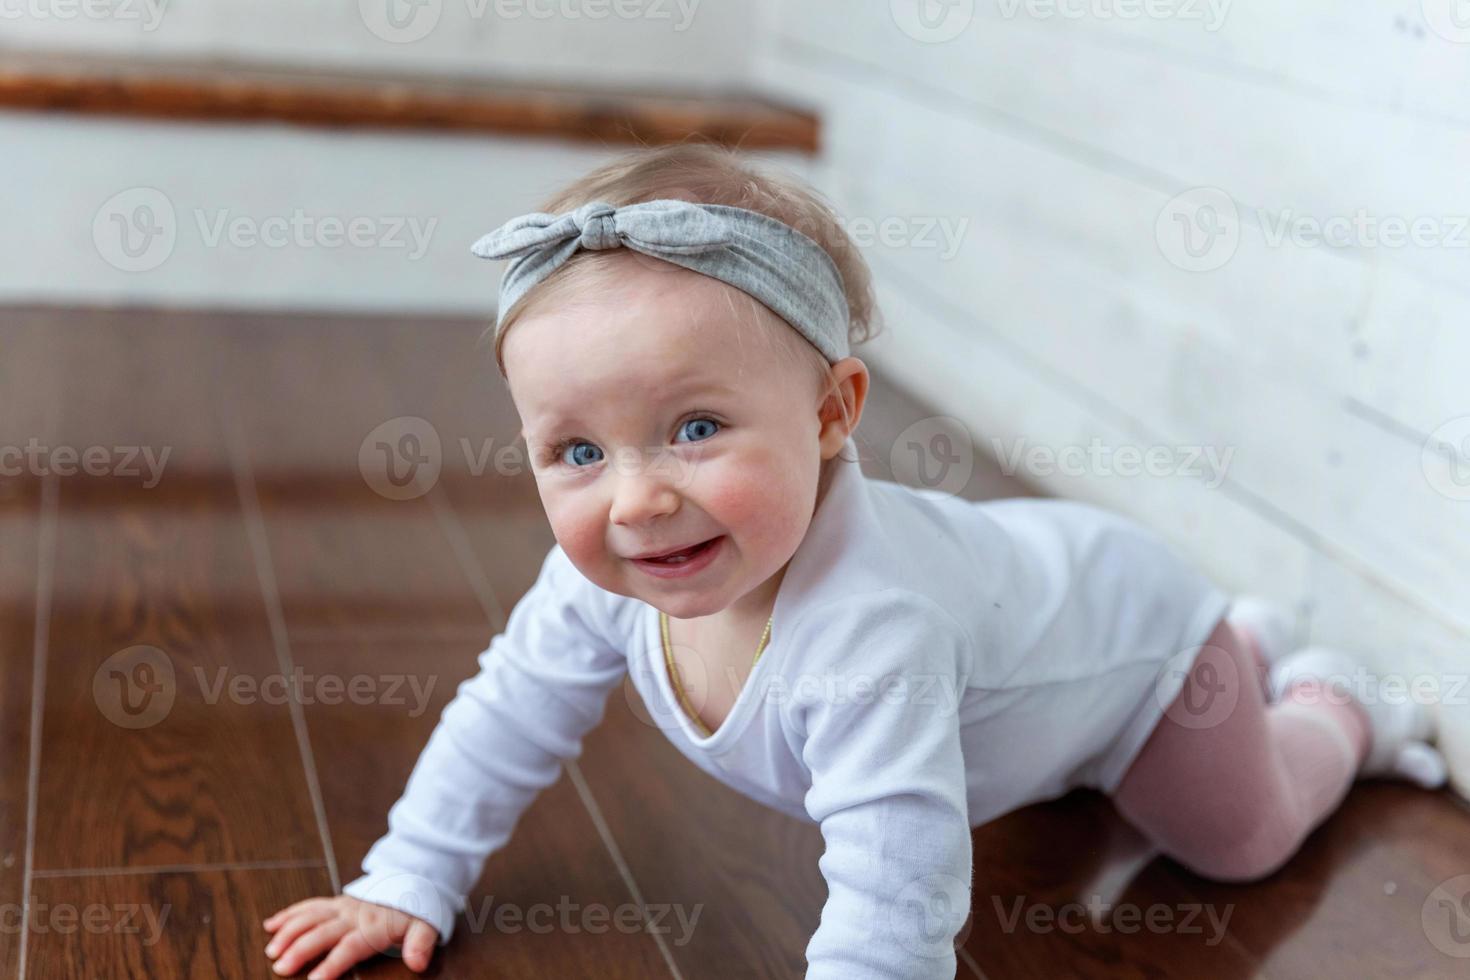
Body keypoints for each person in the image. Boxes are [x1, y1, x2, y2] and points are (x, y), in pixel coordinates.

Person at [262, 142, 1446, 979]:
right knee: (1062, 783)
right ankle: (1245, 650)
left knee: (1234, 839)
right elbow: (509, 709)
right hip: (1034, 617)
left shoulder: (871, 628)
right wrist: (405, 874)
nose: (637, 498)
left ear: (835, 411)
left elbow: (897, 891)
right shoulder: (606, 574)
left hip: (1148, 652)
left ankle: (1336, 697)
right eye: (577, 449)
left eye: (696, 428)